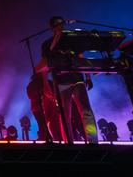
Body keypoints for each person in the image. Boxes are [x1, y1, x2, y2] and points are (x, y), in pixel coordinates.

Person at [37, 15, 98, 143]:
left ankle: (93, 141)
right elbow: (44, 64)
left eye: (62, 24)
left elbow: (81, 57)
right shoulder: (47, 44)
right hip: (61, 81)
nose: (61, 26)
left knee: (86, 110)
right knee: (65, 115)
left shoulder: (72, 40)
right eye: (58, 24)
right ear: (52, 27)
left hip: (77, 79)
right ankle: (68, 142)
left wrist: (88, 76)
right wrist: (45, 84)